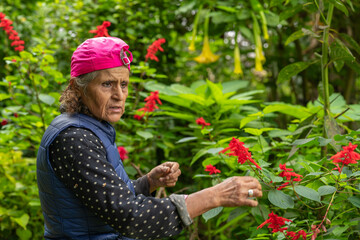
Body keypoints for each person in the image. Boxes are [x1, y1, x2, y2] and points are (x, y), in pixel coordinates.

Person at [36, 37, 263, 240]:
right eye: (107, 84)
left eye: (123, 84)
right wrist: (214, 196)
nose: (119, 95)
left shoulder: (87, 127)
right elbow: (131, 218)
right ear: (78, 87)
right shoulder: (75, 138)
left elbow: (105, 199)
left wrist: (148, 183)